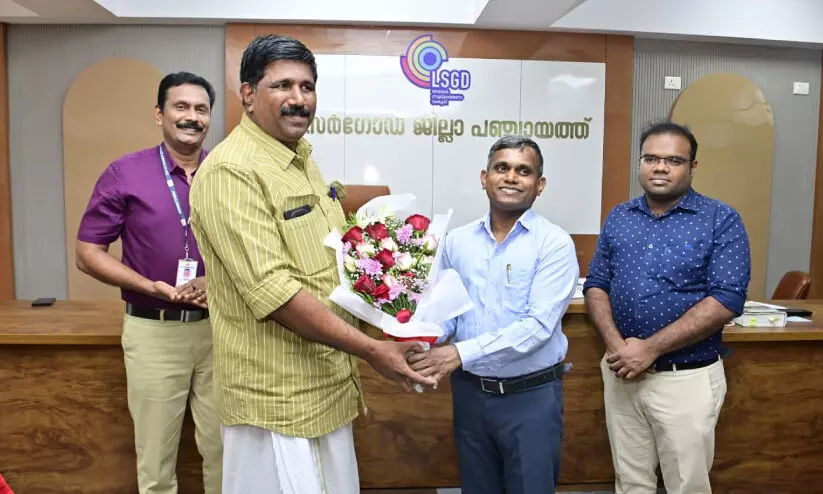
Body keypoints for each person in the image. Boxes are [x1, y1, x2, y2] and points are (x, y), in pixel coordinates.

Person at [188, 34, 435, 494]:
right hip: (277, 401)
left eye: (307, 86)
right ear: (248, 94)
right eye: (282, 85)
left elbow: (331, 264)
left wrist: (394, 307)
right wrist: (372, 350)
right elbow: (275, 292)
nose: (298, 99)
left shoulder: (302, 159)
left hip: (327, 386)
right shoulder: (231, 172)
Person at [583, 121, 751, 494]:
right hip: (621, 372)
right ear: (641, 163)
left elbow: (727, 299)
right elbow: (596, 284)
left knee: (686, 485)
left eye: (674, 160)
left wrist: (650, 348)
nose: (660, 167)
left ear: (693, 167)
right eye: (651, 159)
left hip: (685, 378)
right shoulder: (620, 217)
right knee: (631, 481)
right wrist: (617, 346)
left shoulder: (720, 219)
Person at [76, 72, 223, 494]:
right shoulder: (125, 173)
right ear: (159, 114)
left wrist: (217, 280)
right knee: (156, 461)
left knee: (226, 451)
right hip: (154, 330)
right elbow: (87, 253)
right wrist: (149, 285)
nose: (192, 116)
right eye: (181, 107)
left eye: (201, 109)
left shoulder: (226, 173)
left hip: (222, 330)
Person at [408, 135, 579, 494]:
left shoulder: (554, 243)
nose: (511, 177)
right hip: (470, 395)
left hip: (530, 398)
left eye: (523, 171)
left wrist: (457, 353)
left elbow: (538, 328)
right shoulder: (457, 241)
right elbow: (448, 314)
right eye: (502, 168)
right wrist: (419, 341)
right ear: (484, 178)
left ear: (540, 185)